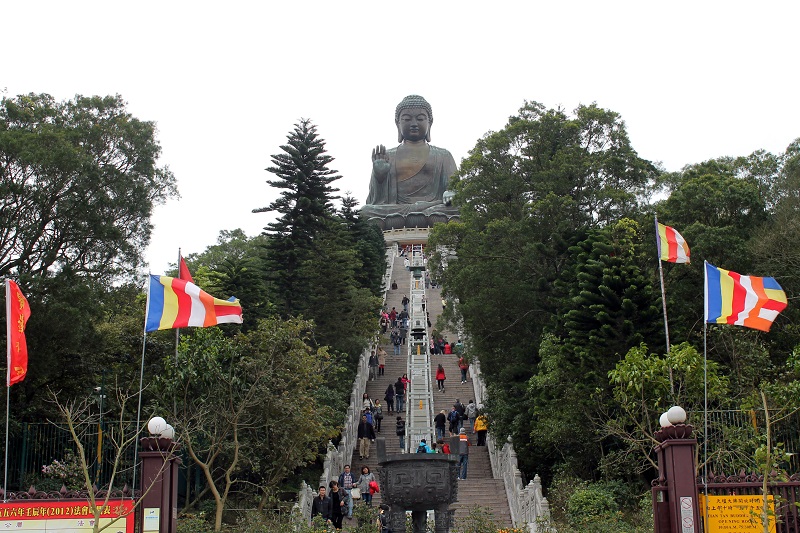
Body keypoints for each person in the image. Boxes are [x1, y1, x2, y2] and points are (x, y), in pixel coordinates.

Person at [360, 95, 458, 223]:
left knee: (459, 209)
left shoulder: (443, 155)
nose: (413, 124)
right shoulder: (387, 156)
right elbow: (374, 201)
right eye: (406, 119)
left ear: (430, 122)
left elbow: (456, 190)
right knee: (364, 212)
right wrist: (380, 177)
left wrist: (451, 193)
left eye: (420, 119)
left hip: (433, 208)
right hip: (397, 210)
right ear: (398, 123)